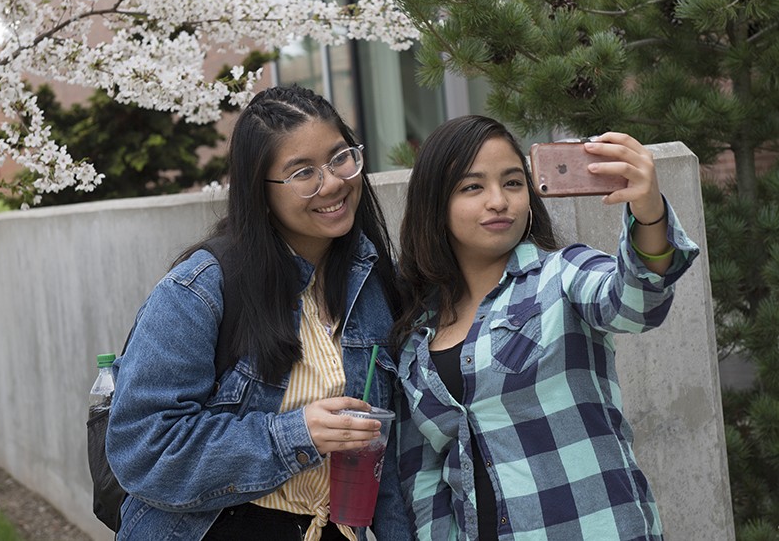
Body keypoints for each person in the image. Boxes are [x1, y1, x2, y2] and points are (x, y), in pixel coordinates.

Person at [106, 85, 414, 541]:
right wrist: (296, 434)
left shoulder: (373, 282)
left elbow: (386, 462)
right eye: (303, 173)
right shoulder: (199, 290)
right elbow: (143, 450)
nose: (332, 183)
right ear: (260, 190)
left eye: (339, 158)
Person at [391, 115, 699, 541]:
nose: (499, 201)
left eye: (513, 183)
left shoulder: (563, 273)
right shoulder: (415, 335)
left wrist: (649, 215)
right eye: (472, 187)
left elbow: (635, 303)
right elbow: (423, 476)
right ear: (434, 204)